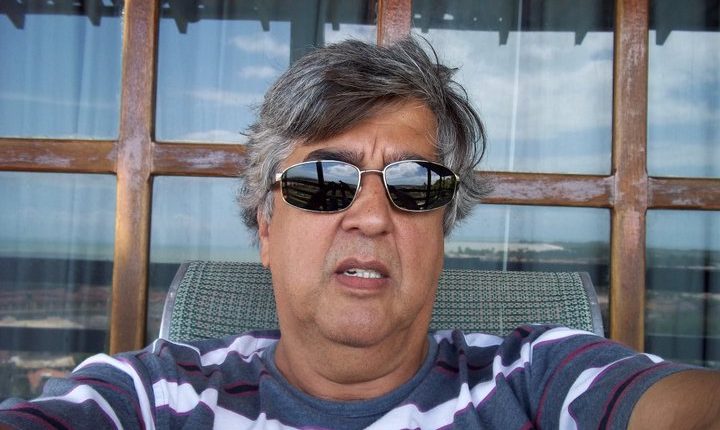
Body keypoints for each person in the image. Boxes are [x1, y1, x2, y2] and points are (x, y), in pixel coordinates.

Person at [1, 37, 719, 430]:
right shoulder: (153, 398)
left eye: (415, 185)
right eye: (322, 181)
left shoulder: (536, 382)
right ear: (266, 226)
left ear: (443, 229)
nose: (372, 216)